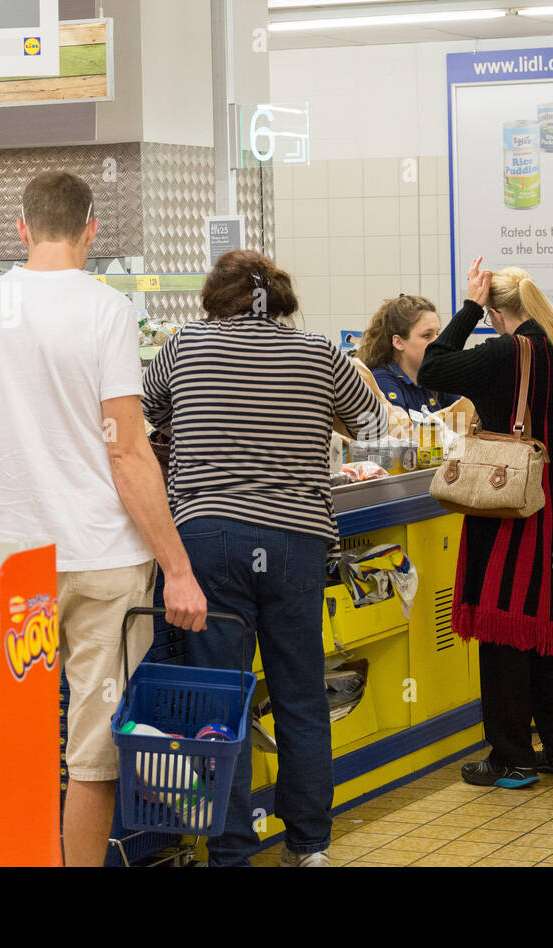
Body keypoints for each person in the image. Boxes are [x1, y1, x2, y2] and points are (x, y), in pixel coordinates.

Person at [0, 170, 208, 867]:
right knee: (93, 750)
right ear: (91, 230)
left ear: (22, 229)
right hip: (105, 561)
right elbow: (127, 454)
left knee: (20, 740)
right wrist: (177, 568)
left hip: (20, 565)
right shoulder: (105, 309)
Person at [143, 248, 387, 867]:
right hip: (296, 541)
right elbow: (376, 423)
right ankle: (309, 847)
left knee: (220, 699)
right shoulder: (319, 352)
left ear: (211, 299)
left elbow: (139, 417)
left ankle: (230, 850)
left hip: (207, 539)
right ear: (281, 298)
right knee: (300, 695)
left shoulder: (183, 346)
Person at [418, 259, 553, 788]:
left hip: (507, 514)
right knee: (550, 633)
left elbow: (431, 369)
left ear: (498, 313)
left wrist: (467, 308)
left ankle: (512, 758)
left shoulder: (503, 352)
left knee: (504, 631)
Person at [356, 295, 459, 416]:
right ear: (398, 342)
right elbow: (401, 432)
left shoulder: (434, 376)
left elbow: (464, 419)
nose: (438, 342)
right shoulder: (381, 381)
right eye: (427, 335)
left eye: (437, 333)